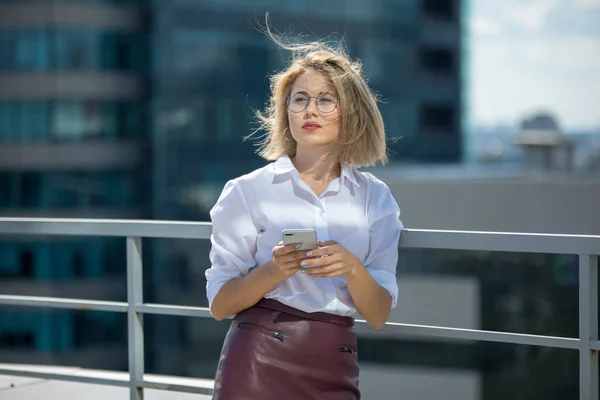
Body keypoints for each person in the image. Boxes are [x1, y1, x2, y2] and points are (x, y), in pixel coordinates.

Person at [205, 31, 403, 400]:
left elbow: (378, 315)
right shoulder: (246, 191)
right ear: (286, 112)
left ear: (351, 111)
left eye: (325, 100)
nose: (310, 110)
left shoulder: (376, 197)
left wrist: (352, 267)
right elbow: (220, 304)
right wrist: (274, 270)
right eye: (300, 100)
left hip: (335, 358)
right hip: (256, 359)